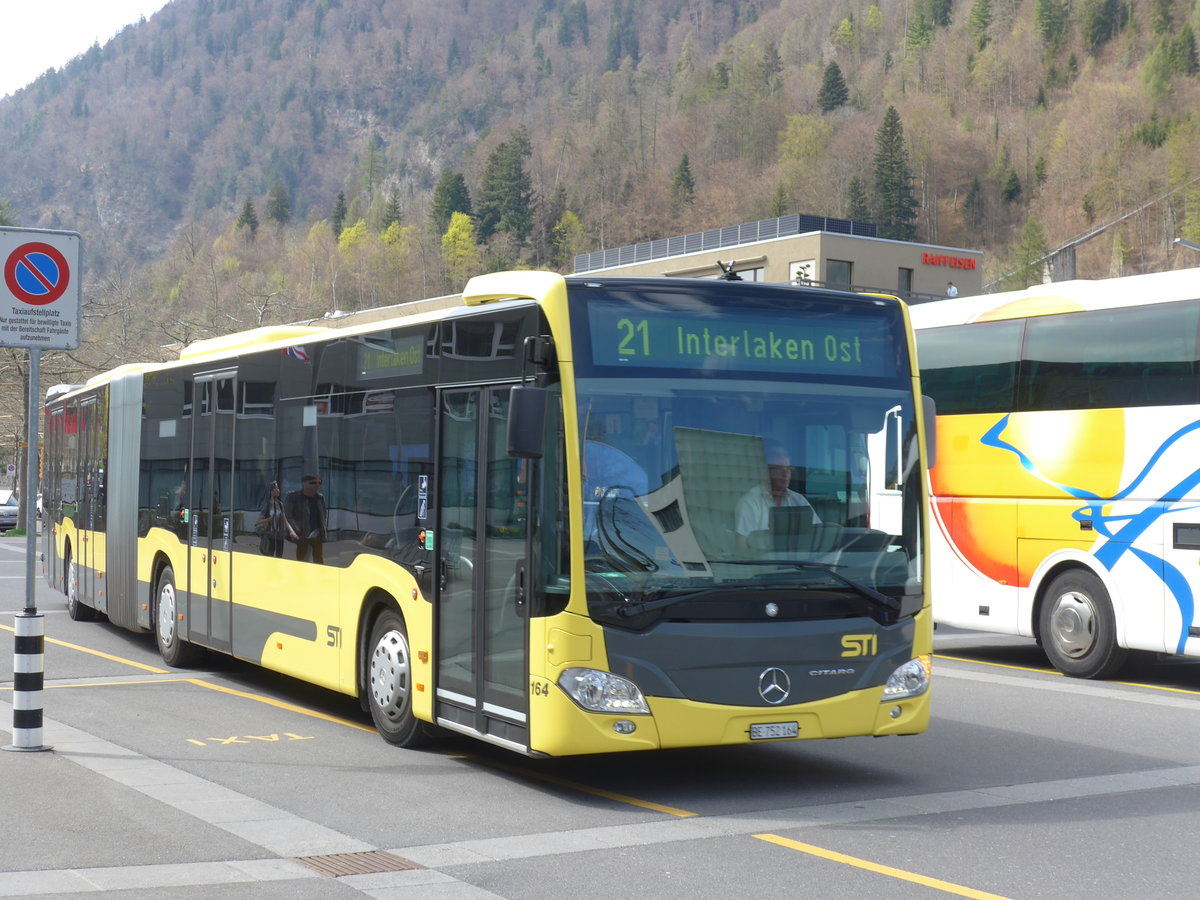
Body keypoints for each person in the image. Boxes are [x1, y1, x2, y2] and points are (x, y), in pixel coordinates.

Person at [735, 445, 820, 549]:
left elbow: (817, 534)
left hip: (798, 561)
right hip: (762, 562)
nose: (785, 474)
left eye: (788, 469)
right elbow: (741, 544)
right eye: (779, 469)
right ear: (765, 472)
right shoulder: (750, 502)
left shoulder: (798, 500)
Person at [284, 473, 327, 563]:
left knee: (319, 557)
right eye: (313, 483)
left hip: (317, 532)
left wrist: (322, 529)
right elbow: (288, 515)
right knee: (301, 558)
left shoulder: (320, 498)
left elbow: (323, 514)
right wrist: (296, 530)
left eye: (319, 483)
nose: (317, 485)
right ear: (304, 483)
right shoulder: (293, 497)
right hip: (302, 533)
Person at [256, 481, 296, 557]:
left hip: (280, 536)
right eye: (276, 488)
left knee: (279, 556)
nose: (278, 490)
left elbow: (285, 520)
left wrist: (292, 532)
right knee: (270, 557)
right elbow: (258, 522)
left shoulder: (280, 504)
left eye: (278, 488)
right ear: (271, 491)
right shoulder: (267, 505)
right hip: (270, 536)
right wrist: (268, 520)